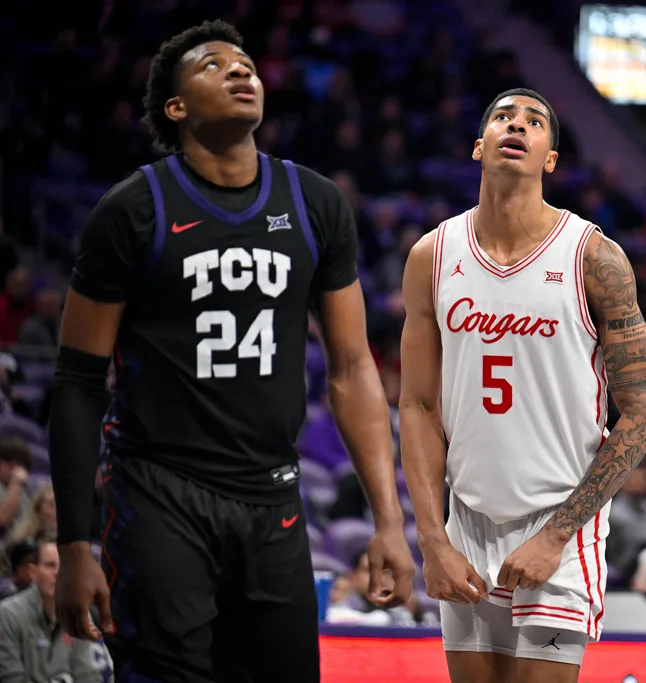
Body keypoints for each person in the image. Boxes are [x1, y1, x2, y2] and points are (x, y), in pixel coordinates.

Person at [47, 20, 414, 683]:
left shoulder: (314, 202)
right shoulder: (132, 210)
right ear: (176, 107)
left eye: (246, 63)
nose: (240, 71)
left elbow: (354, 368)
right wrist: (73, 541)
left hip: (271, 491)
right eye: (214, 65)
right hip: (158, 491)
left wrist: (389, 519)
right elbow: (77, 379)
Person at [399, 88, 646, 683]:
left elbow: (645, 412)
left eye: (535, 121)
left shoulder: (594, 257)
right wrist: (432, 541)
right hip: (465, 518)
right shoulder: (433, 256)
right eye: (501, 117)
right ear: (478, 147)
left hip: (559, 518)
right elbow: (416, 404)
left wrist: (559, 533)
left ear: (550, 159)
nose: (516, 125)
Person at [0, 537, 114, 682]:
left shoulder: (79, 615)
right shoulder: (8, 614)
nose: (58, 574)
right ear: (33, 572)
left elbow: (87, 675)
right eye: (50, 565)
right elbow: (10, 678)